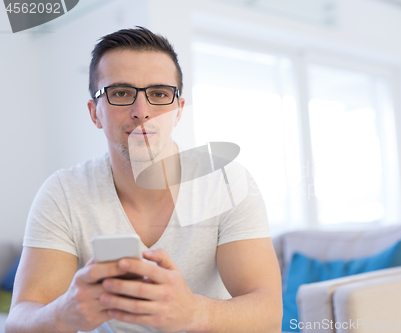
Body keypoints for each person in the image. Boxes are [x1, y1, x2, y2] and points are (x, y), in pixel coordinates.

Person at [5, 27, 282, 333]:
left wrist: (193, 313)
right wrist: (63, 313)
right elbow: (18, 321)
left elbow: (269, 314)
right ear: (94, 113)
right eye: (121, 93)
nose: (142, 111)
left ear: (178, 110)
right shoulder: (64, 193)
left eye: (159, 94)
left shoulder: (226, 183)